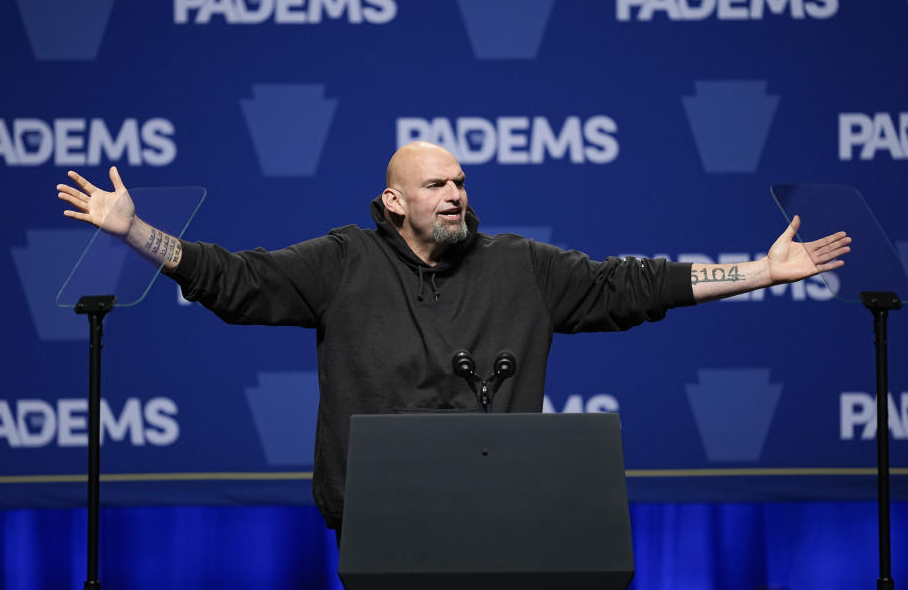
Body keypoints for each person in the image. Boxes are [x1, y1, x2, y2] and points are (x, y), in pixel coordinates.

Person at [56, 140, 851, 534]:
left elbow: (633, 286)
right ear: (393, 202)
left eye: (461, 182)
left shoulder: (522, 267)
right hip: (380, 520)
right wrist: (138, 235)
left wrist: (759, 271)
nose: (456, 193)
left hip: (503, 519)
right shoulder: (341, 262)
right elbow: (232, 281)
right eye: (436, 184)